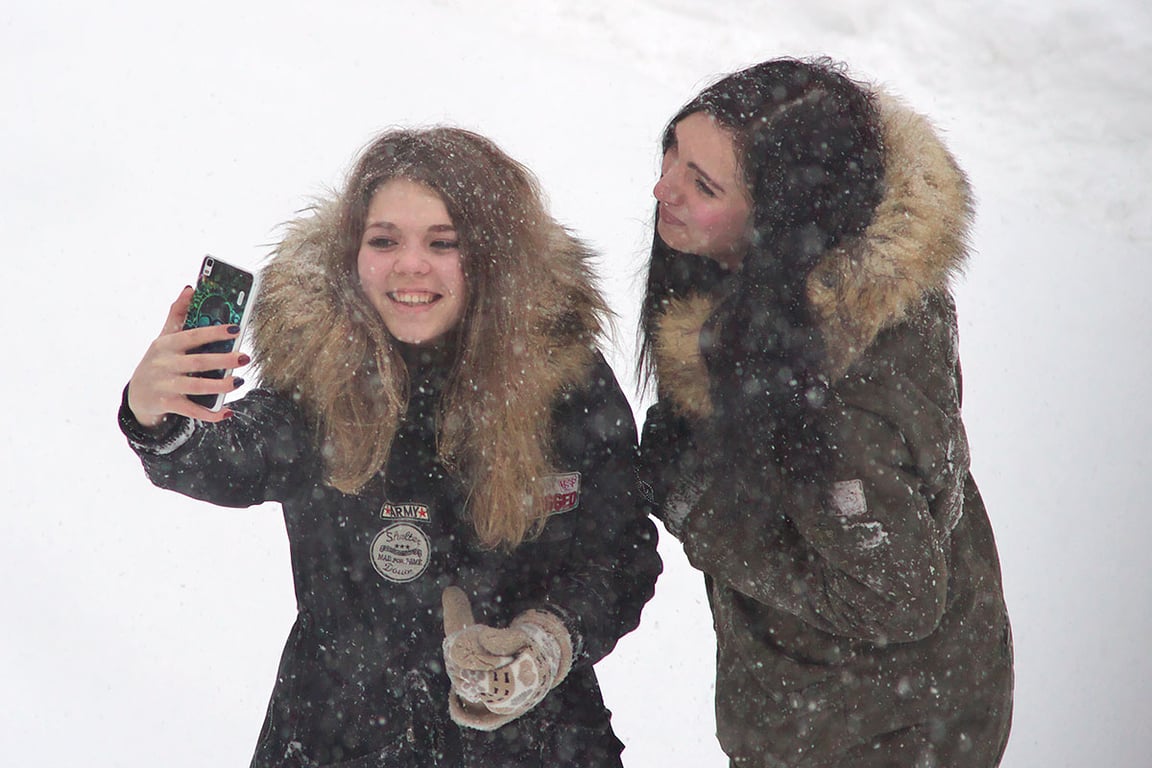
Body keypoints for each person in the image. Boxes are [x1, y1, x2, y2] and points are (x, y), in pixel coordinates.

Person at [120, 126, 661, 767]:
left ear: (493, 253)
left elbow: (619, 552)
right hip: (336, 735)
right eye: (384, 241)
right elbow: (240, 450)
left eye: (443, 243)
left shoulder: (564, 376)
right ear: (353, 251)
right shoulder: (322, 367)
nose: (410, 264)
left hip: (536, 745)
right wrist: (156, 414)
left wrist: (546, 641)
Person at [637, 57, 1013, 767]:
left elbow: (896, 595)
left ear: (780, 217)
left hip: (876, 735)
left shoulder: (843, 398)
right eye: (673, 152)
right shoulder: (811, 290)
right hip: (867, 708)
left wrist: (699, 509)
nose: (664, 188)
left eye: (703, 184)